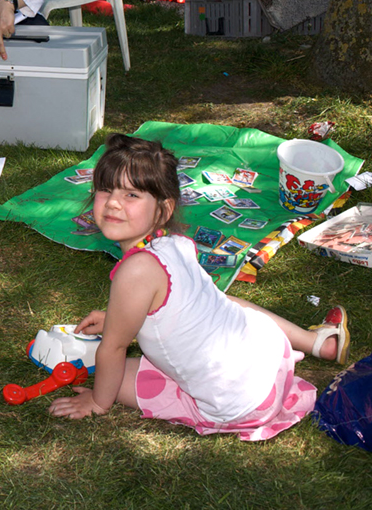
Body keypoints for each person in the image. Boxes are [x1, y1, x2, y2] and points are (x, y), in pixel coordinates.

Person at [48, 134, 350, 440]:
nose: (113, 202)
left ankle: (312, 346)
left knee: (116, 369)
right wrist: (118, 319)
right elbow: (173, 307)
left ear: (163, 210)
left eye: (131, 195)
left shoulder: (135, 271)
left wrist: (98, 402)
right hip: (266, 365)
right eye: (105, 189)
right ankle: (315, 342)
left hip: (239, 403)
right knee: (225, 302)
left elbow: (113, 347)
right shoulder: (174, 243)